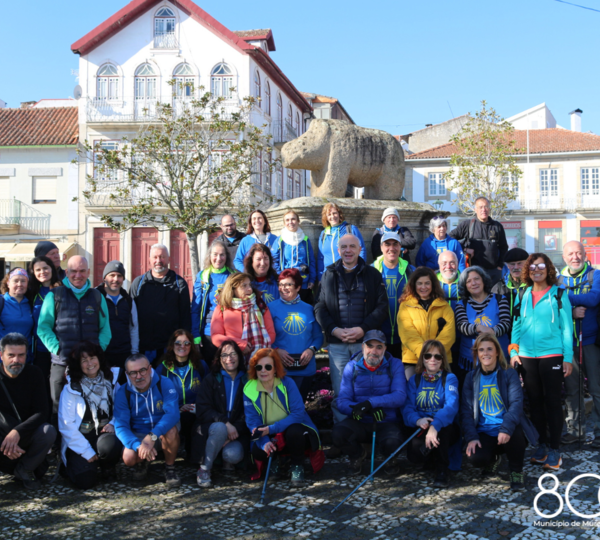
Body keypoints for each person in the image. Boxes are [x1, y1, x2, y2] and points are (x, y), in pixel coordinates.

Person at [510, 253, 573, 471]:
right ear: (528, 270)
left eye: (541, 266)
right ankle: (542, 446)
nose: (536, 270)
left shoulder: (559, 294)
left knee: (552, 402)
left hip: (552, 355)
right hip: (527, 356)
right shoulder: (522, 294)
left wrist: (567, 358)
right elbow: (516, 325)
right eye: (532, 266)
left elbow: (567, 329)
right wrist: (513, 351)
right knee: (535, 403)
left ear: (549, 269)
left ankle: (555, 450)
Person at [315, 234, 388, 423]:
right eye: (344, 247)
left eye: (352, 246)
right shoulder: (328, 274)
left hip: (363, 343)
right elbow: (320, 307)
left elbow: (382, 307)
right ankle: (343, 429)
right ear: (338, 250)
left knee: (364, 389)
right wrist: (334, 330)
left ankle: (364, 429)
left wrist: (363, 329)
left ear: (359, 249)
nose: (348, 250)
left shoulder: (373, 274)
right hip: (337, 344)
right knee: (340, 390)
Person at [38, 256, 112, 428]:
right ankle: (58, 442)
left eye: (82, 271)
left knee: (91, 406)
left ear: (88, 272)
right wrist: (58, 349)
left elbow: (105, 329)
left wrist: (96, 353)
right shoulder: (54, 295)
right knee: (58, 407)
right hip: (61, 363)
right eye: (73, 271)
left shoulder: (97, 297)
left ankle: (91, 440)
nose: (78, 275)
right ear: (66, 272)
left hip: (91, 365)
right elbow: (43, 327)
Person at [462, 334, 537, 492]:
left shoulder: (508, 373)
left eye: (490, 349)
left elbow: (516, 404)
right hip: (484, 430)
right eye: (481, 350)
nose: (485, 353)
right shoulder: (470, 378)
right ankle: (493, 458)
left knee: (515, 434)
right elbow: (466, 411)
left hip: (507, 428)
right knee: (476, 458)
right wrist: (471, 437)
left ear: (497, 352)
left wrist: (506, 428)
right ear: (477, 353)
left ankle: (516, 471)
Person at [243, 348, 322, 485]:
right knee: (258, 450)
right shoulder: (249, 389)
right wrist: (265, 442)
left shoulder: (288, 383)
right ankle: (274, 462)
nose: (263, 371)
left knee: (295, 431)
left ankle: (297, 465)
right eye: (259, 367)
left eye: (268, 367)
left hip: (291, 431)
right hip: (269, 433)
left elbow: (298, 414)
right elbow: (253, 422)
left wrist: (272, 428)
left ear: (275, 368)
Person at [333, 330, 407, 476]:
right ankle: (357, 455)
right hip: (359, 420)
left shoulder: (395, 364)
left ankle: (389, 459)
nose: (374, 351)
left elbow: (399, 396)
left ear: (385, 349)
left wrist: (371, 403)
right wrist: (358, 409)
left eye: (379, 347)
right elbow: (342, 400)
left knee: (393, 442)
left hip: (386, 420)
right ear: (362, 347)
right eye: (370, 346)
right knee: (338, 434)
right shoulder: (352, 366)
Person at [58, 341, 122, 489]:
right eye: (84, 360)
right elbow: (66, 425)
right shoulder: (71, 389)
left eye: (92, 358)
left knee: (111, 445)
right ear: (78, 365)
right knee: (85, 482)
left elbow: (121, 409)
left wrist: (113, 423)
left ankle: (107, 466)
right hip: (80, 441)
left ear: (99, 358)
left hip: (104, 436)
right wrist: (86, 451)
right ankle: (73, 466)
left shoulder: (111, 380)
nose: (90, 363)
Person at [113, 353, 181, 487]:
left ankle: (170, 467)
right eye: (133, 373)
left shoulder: (164, 383)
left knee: (171, 430)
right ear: (127, 374)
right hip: (139, 433)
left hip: (161, 431)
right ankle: (143, 460)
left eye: (142, 370)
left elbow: (172, 414)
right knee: (128, 458)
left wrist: (152, 436)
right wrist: (138, 446)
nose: (139, 376)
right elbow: (121, 426)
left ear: (150, 369)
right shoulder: (123, 392)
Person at [0, 333, 56, 490]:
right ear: (1, 355)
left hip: (25, 436)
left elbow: (42, 412)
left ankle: (25, 469)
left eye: (21, 355)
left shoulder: (34, 373)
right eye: (11, 355)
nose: (16, 360)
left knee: (48, 431)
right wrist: (6, 443)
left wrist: (17, 432)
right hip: (2, 439)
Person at [558, 241, 600, 446]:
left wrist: (565, 297)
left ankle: (599, 432)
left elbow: (594, 298)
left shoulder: (595, 275)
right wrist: (572, 311)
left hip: (591, 341)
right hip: (568, 343)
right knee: (572, 389)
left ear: (585, 255)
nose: (575, 257)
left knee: (596, 388)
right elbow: (554, 304)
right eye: (571, 254)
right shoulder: (557, 279)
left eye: (579, 253)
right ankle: (576, 431)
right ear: (564, 257)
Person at [402, 340, 459, 487]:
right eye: (428, 356)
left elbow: (451, 406)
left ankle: (442, 470)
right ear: (422, 358)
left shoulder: (449, 378)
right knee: (415, 454)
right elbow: (407, 407)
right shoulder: (414, 379)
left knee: (442, 433)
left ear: (442, 360)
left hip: (444, 425)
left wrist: (435, 426)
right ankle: (430, 459)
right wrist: (417, 420)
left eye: (437, 356)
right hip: (422, 424)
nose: (432, 359)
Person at [195, 340, 250, 487]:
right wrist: (226, 423)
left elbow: (251, 413)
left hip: (237, 433)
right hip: (213, 429)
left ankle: (224, 459)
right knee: (220, 427)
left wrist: (235, 430)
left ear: (239, 356)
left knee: (233, 455)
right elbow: (203, 409)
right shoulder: (211, 379)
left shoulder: (247, 380)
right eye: (224, 355)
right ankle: (204, 469)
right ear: (219, 359)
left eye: (233, 354)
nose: (229, 358)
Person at [131, 244, 191, 366]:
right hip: (144, 347)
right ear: (149, 259)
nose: (158, 260)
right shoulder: (138, 283)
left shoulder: (179, 283)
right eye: (155, 257)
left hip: (169, 348)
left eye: (162, 257)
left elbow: (185, 317)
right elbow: (130, 316)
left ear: (168, 259)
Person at [269, 269, 323, 400]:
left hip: (305, 369)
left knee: (299, 406)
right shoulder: (270, 308)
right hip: (280, 369)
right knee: (281, 407)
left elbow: (318, 336)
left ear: (298, 287)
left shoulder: (309, 309)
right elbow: (264, 337)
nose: (283, 288)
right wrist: (276, 350)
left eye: (288, 284)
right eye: (281, 284)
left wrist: (311, 350)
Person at [454, 266, 511, 389]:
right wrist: (478, 328)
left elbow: (506, 323)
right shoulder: (461, 304)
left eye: (476, 279)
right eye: (469, 281)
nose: (473, 283)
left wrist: (491, 331)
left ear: (483, 280)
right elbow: (461, 325)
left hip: (499, 357)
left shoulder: (500, 299)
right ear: (465, 286)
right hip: (470, 361)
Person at [155, 329, 208, 458]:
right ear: (172, 345)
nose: (182, 346)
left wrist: (198, 406)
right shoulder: (162, 368)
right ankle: (168, 458)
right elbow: (156, 398)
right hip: (172, 413)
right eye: (178, 343)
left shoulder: (200, 365)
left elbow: (208, 392)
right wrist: (177, 408)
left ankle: (193, 453)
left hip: (195, 412)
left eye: (186, 343)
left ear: (191, 346)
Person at [397, 267, 456, 381]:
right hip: (413, 361)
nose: (423, 287)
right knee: (414, 391)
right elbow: (408, 335)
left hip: (440, 360)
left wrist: (434, 357)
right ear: (414, 285)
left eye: (427, 283)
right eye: (419, 283)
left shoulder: (444, 306)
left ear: (433, 284)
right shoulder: (405, 306)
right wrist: (426, 355)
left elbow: (449, 335)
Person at [210, 273, 276, 364]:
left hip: (259, 360)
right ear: (233, 289)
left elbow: (271, 334)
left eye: (249, 285)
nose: (249, 289)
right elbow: (216, 337)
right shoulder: (222, 308)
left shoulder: (260, 305)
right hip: (232, 361)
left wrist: (255, 348)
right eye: (244, 286)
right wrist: (239, 345)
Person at [372, 232, 414, 359]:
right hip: (378, 337)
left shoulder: (411, 271)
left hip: (405, 337)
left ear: (400, 246)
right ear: (381, 247)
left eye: (395, 244)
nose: (391, 248)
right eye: (387, 244)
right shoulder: (371, 271)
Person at [191, 241, 235, 363]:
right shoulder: (203, 276)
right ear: (210, 256)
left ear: (226, 256)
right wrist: (195, 336)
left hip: (229, 331)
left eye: (222, 255)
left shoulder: (233, 275)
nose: (218, 258)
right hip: (208, 332)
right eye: (215, 254)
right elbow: (196, 309)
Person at [449, 197, 508, 284]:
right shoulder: (468, 224)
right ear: (475, 209)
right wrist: (464, 249)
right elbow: (450, 238)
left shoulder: (497, 226)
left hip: (493, 272)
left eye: (486, 207)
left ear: (489, 208)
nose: (483, 210)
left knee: (495, 293)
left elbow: (504, 247)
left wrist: (500, 266)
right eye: (480, 207)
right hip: (474, 272)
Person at [96, 261, 139, 370]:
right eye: (112, 275)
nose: (116, 279)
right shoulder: (95, 297)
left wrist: (134, 353)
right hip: (101, 354)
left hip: (124, 355)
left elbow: (133, 328)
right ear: (104, 278)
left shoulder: (128, 301)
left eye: (119, 276)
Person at [272, 209, 316, 304]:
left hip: (303, 282)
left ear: (298, 221)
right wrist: (281, 277)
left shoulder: (305, 240)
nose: (290, 222)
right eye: (287, 220)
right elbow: (274, 260)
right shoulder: (280, 240)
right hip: (287, 283)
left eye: (293, 219)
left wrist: (312, 279)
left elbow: (311, 260)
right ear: (284, 223)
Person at [28, 256, 61, 379]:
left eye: (45, 268)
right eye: (38, 270)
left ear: (52, 269)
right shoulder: (32, 292)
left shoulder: (62, 289)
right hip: (40, 349)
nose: (42, 272)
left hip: (60, 347)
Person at [317, 202, 366, 280]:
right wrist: (321, 277)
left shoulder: (350, 229)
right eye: (329, 214)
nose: (332, 216)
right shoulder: (324, 234)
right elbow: (321, 257)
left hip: (348, 274)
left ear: (339, 214)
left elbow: (361, 249)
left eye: (334, 213)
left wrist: (359, 270)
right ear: (326, 217)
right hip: (329, 276)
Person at [0, 268, 34, 356]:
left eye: (23, 281)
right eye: (15, 281)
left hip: (25, 357)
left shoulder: (31, 304)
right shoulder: (1, 302)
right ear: (8, 283)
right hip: (4, 358)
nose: (19, 284)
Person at [491, 247, 529, 317]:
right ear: (507, 266)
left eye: (519, 263)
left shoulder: (533, 285)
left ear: (527, 264)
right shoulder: (499, 288)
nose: (516, 267)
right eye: (512, 264)